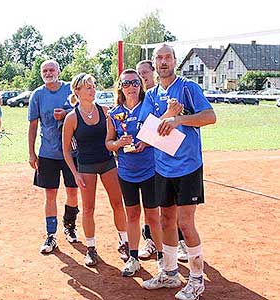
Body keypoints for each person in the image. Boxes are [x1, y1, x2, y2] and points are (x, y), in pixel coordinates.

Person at [140, 44, 216, 300]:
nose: (163, 62)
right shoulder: (150, 95)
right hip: (163, 167)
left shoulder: (187, 88)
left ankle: (196, 281)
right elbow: (146, 131)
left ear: (175, 60)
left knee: (185, 222)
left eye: (168, 57)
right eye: (159, 58)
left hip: (188, 166)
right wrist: (168, 115)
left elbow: (210, 117)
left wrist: (180, 119)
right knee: (165, 221)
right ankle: (170, 272)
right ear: (154, 62)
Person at [62, 73, 128, 266]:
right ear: (77, 91)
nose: (93, 90)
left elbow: (116, 136)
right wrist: (75, 174)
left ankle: (124, 242)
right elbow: (66, 150)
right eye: (88, 86)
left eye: (93, 85)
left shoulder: (106, 111)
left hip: (107, 162)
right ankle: (91, 248)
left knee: (117, 203)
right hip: (86, 166)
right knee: (88, 208)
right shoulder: (72, 118)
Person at [105, 69, 163, 276]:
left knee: (153, 217)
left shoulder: (150, 108)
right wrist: (119, 143)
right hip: (127, 173)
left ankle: (162, 258)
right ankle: (133, 257)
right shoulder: (114, 113)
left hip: (150, 170)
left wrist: (146, 143)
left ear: (141, 84)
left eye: (135, 82)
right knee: (132, 214)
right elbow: (108, 143)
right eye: (126, 83)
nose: (131, 87)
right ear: (120, 86)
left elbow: (162, 135)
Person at [136, 59, 189, 262]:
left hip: (165, 157)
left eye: (145, 73)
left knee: (171, 206)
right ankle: (150, 239)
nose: (143, 77)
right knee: (151, 205)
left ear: (154, 72)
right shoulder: (140, 97)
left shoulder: (164, 93)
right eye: (139, 74)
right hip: (146, 158)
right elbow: (144, 131)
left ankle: (181, 242)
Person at [28, 59, 80, 254]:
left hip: (72, 151)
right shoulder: (38, 95)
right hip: (48, 152)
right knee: (50, 194)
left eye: (52, 70)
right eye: (45, 70)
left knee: (73, 192)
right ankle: (51, 235)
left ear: (59, 71)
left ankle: (70, 226)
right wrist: (32, 152)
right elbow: (33, 125)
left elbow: (82, 110)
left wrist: (66, 113)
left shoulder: (70, 89)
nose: (48, 73)